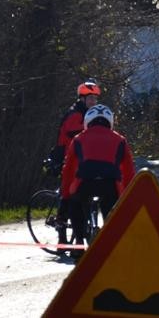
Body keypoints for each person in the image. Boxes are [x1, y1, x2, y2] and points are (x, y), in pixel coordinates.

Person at [60, 104, 135, 259]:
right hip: (110, 184)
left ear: (88, 121)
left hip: (85, 183)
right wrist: (128, 197)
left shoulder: (78, 138)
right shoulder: (120, 140)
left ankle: (79, 242)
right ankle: (112, 243)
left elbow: (68, 170)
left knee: (75, 204)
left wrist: (66, 195)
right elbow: (128, 171)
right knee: (112, 213)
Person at [51, 79, 100, 249]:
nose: (93, 102)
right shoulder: (74, 115)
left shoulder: (88, 114)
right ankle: (61, 233)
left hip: (82, 160)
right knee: (68, 195)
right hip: (66, 158)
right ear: (82, 99)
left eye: (95, 99)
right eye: (90, 99)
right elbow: (78, 133)